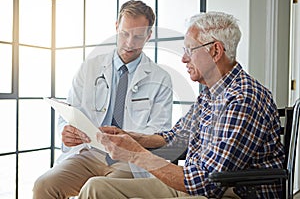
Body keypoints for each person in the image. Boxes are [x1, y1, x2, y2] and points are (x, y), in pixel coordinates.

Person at [77, 11, 285, 198]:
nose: (184, 58)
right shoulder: (211, 94)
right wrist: (127, 136)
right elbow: (174, 138)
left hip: (229, 193)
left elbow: (207, 183)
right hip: (193, 187)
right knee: (96, 188)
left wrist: (135, 154)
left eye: (190, 49)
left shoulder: (242, 98)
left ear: (215, 51)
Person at [33, 0, 173, 198]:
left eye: (138, 36)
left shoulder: (160, 79)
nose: (130, 43)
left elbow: (160, 132)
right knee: (44, 185)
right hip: (89, 153)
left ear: (149, 35)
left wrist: (125, 138)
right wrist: (67, 133)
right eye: (125, 34)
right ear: (117, 27)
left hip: (129, 160)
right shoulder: (89, 68)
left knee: (96, 188)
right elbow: (69, 113)